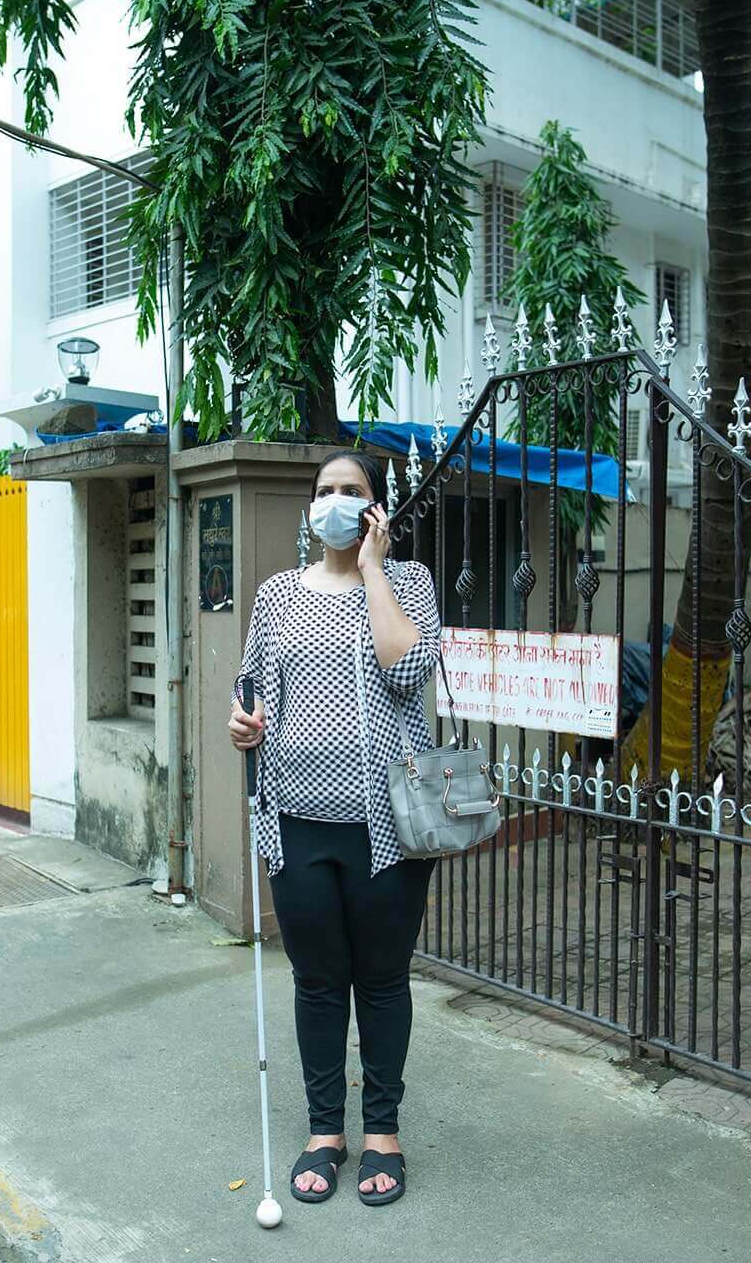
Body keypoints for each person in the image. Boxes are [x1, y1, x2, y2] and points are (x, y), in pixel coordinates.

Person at [226, 449, 441, 1208]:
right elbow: (250, 683)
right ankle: (326, 1130)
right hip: (295, 823)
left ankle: (382, 1131)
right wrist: (242, 721)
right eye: (325, 491)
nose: (337, 502)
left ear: (377, 508)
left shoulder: (408, 582)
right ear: (310, 506)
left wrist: (376, 568)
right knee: (318, 984)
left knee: (381, 981)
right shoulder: (278, 593)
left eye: (353, 491)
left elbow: (408, 669)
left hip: (387, 826)